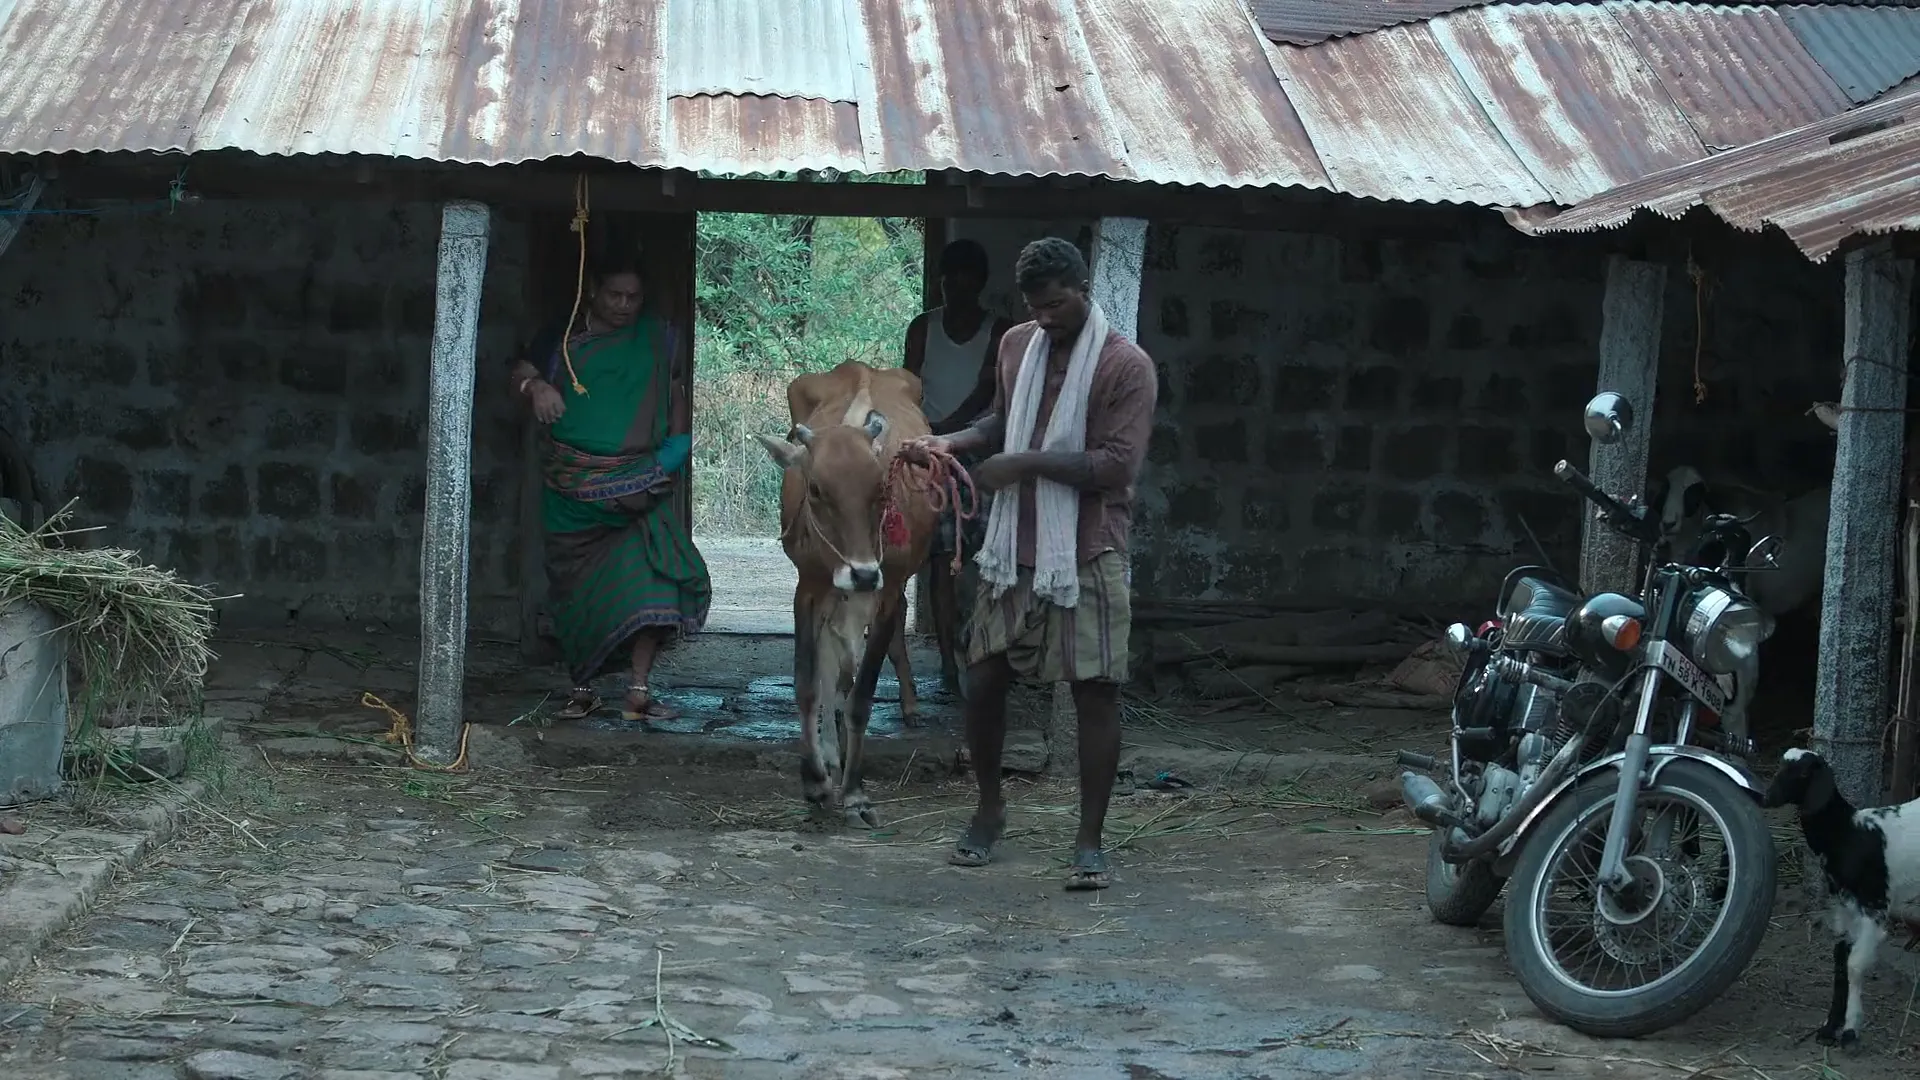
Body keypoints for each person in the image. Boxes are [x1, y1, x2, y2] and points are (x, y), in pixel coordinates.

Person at [903, 237, 1156, 891]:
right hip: (1013, 544)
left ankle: (1089, 842)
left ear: (1083, 289)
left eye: (1056, 305)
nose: (1044, 318)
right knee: (984, 678)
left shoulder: (1126, 366)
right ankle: (989, 810)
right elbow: (999, 419)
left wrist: (1023, 464)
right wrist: (946, 442)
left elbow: (1116, 466)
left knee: (1095, 691)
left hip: (1088, 547)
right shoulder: (1017, 344)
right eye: (1034, 307)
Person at [508, 255, 712, 724]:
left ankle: (639, 690)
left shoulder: (659, 339)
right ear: (594, 292)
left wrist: (674, 452)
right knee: (576, 596)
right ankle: (581, 689)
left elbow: (676, 396)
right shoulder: (562, 337)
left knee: (656, 586)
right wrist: (535, 386)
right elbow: (518, 370)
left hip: (641, 489)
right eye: (615, 295)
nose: (624, 305)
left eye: (633, 297)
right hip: (571, 493)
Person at [901, 239, 1013, 697]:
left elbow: (987, 396)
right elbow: (908, 386)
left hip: (974, 450)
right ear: (940, 284)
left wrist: (947, 433)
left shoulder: (999, 332)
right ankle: (948, 661)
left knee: (988, 558)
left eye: (965, 285)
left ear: (980, 285)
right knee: (939, 561)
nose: (956, 294)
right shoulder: (922, 329)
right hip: (929, 451)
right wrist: (924, 437)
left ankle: (985, 652)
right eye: (950, 285)